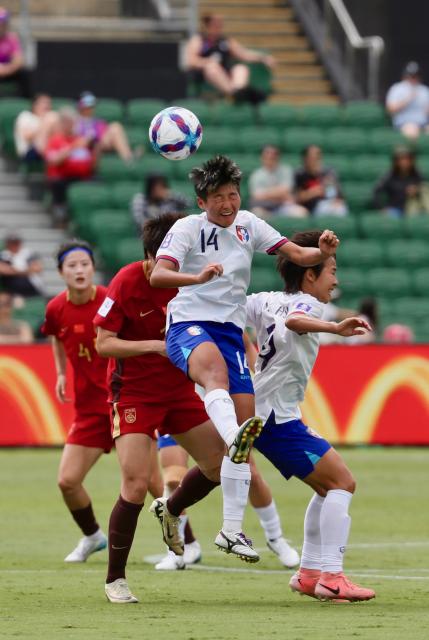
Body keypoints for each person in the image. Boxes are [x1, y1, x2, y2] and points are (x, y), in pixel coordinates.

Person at [149, 155, 338, 560]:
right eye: (218, 197)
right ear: (202, 202)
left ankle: (230, 531)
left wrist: (317, 250)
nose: (227, 203)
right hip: (188, 323)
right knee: (219, 386)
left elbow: (296, 255)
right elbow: (158, 276)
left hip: (230, 333)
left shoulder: (249, 224)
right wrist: (194, 277)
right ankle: (233, 434)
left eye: (232, 194)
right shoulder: (186, 229)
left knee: (235, 454)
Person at [94, 213, 260, 604]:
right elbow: (103, 342)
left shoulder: (195, 278)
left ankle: (171, 508)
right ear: (151, 256)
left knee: (221, 464)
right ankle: (115, 579)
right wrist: (154, 346)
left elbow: (229, 318)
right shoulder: (128, 281)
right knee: (135, 484)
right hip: (133, 392)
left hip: (181, 392)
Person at [245, 229, 375, 602]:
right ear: (310, 274)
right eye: (331, 270)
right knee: (343, 483)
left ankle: (309, 574)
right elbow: (296, 322)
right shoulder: (309, 305)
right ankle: (332, 577)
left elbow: (234, 310)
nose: (336, 280)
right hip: (276, 420)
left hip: (272, 415)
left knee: (327, 486)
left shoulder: (267, 300)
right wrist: (335, 327)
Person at [41, 240, 112, 564]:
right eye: (72, 265)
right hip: (87, 409)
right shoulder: (55, 308)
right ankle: (93, 536)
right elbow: (56, 335)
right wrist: (59, 374)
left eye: (85, 263)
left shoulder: (110, 300)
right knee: (67, 482)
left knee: (149, 481)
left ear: (92, 268)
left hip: (120, 402)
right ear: (61, 272)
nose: (79, 270)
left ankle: (184, 540)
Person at [155, 434, 300, 570]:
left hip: (212, 414)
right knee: (173, 479)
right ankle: (175, 552)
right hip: (177, 411)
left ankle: (276, 539)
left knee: (250, 474)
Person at [185, 13, 274, 102]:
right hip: (206, 76)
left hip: (225, 74)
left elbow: (244, 54)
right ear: (207, 25)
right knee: (212, 67)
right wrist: (207, 62)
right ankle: (235, 94)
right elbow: (191, 61)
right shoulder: (198, 40)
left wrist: (263, 58)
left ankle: (238, 92)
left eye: (220, 24)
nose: (218, 27)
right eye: (215, 24)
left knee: (241, 68)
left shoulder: (226, 41)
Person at [44, 107, 96, 225]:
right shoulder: (55, 140)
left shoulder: (80, 140)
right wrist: (73, 147)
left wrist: (96, 148)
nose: (73, 125)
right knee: (58, 184)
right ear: (63, 123)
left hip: (82, 178)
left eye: (73, 122)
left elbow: (90, 163)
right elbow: (53, 160)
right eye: (69, 122)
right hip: (62, 179)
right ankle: (61, 214)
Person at [249, 145, 307, 219]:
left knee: (301, 213)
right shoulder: (256, 174)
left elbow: (286, 190)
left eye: (273, 156)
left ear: (278, 157)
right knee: (256, 214)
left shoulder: (286, 170)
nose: (270, 158)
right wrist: (279, 193)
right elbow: (256, 196)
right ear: (262, 157)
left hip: (283, 205)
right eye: (267, 155)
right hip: (264, 207)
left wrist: (266, 193)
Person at [75, 91, 133, 162]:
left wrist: (93, 137)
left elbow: (103, 136)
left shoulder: (97, 121)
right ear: (81, 106)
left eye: (92, 106)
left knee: (116, 127)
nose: (91, 108)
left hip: (98, 145)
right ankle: (130, 158)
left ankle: (129, 159)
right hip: (81, 145)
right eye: (88, 106)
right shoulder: (74, 120)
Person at [295, 145, 348, 217]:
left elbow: (339, 195)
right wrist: (313, 192)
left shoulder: (329, 172)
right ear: (305, 159)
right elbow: (296, 198)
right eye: (312, 157)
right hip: (311, 208)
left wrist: (338, 200)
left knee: (340, 208)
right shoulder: (300, 174)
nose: (315, 160)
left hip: (330, 203)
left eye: (318, 157)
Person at [372, 147, 424, 217]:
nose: (404, 162)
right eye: (401, 159)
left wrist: (417, 190)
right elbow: (376, 191)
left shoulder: (417, 175)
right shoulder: (389, 176)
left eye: (407, 159)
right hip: (395, 209)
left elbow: (424, 191)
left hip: (414, 209)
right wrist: (381, 208)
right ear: (396, 162)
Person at [386, 61, 429, 139]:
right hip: (404, 124)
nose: (413, 78)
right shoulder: (397, 88)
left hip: (423, 124)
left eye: (416, 75)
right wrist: (407, 99)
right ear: (405, 76)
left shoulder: (424, 90)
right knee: (412, 130)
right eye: (411, 76)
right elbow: (390, 109)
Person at [14, 94, 59, 163]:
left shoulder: (49, 117)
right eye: (44, 103)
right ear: (34, 105)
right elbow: (27, 137)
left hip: (49, 149)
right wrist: (44, 124)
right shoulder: (25, 116)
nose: (47, 106)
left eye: (49, 103)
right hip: (29, 151)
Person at [0, 233, 46, 297]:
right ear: (7, 244)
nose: (14, 245)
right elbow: (3, 270)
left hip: (32, 289)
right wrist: (27, 270)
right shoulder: (4, 255)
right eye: (12, 243)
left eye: (16, 243)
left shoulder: (28, 253)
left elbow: (38, 268)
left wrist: (13, 270)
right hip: (11, 290)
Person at [0, 6, 27, 96]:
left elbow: (18, 60)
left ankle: (25, 100)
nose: (1, 25)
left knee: (24, 73)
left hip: (8, 72)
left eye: (3, 22)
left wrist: (6, 69)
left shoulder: (12, 39)